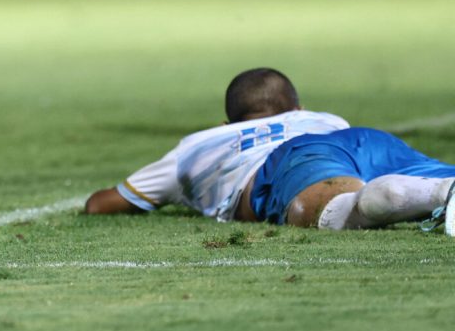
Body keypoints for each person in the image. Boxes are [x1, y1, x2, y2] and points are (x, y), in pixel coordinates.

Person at [85, 67, 455, 233]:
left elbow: (102, 205)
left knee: (330, 208)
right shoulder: (324, 117)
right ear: (298, 109)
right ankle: (438, 189)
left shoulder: (198, 146)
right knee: (442, 180)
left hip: (290, 161)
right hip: (360, 138)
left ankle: (397, 195)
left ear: (227, 126)